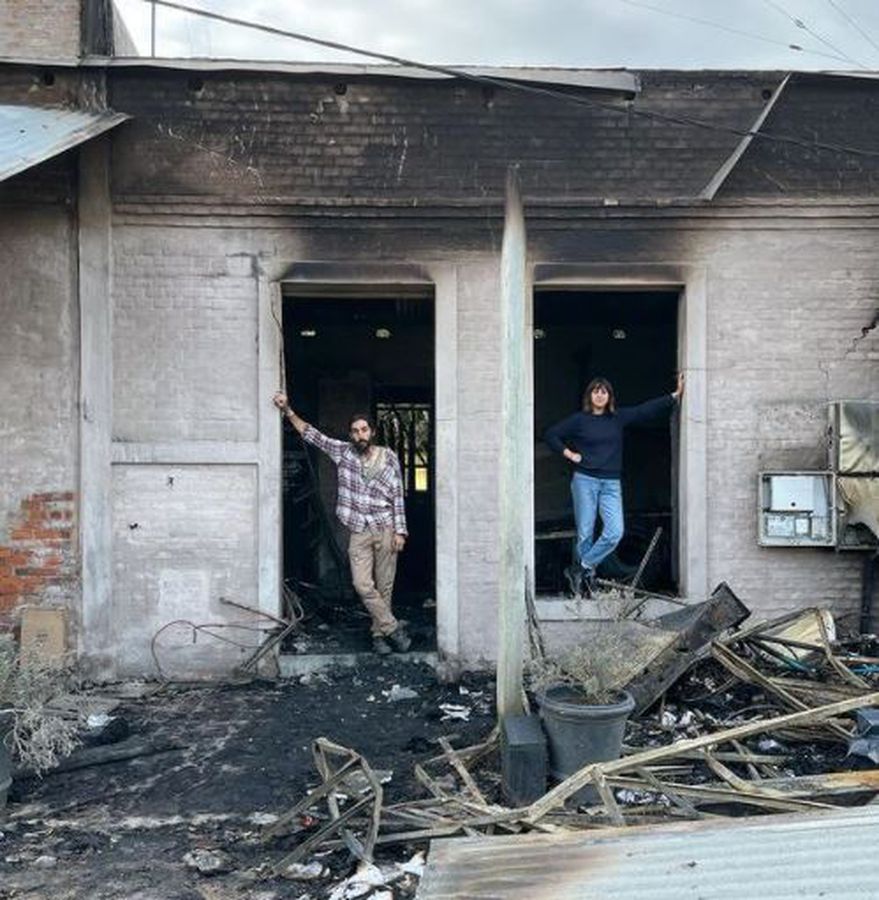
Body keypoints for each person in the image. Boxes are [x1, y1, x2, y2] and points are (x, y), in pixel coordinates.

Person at [272, 392, 412, 655]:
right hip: (359, 530)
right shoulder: (343, 453)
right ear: (350, 435)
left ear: (372, 431)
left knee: (385, 586)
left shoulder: (389, 456)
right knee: (362, 584)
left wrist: (400, 531)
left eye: (364, 429)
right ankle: (392, 627)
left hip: (385, 528)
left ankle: (378, 637)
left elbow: (397, 494)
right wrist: (288, 410)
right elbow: (312, 434)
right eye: (355, 431)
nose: (360, 434)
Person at [544, 373, 684, 597]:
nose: (600, 395)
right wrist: (570, 454)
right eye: (596, 391)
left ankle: (581, 567)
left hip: (610, 483)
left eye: (604, 391)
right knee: (585, 532)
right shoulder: (579, 420)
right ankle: (585, 582)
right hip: (585, 481)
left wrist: (674, 396)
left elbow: (643, 410)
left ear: (609, 396)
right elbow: (551, 434)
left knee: (614, 532)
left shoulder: (617, 418)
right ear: (590, 396)